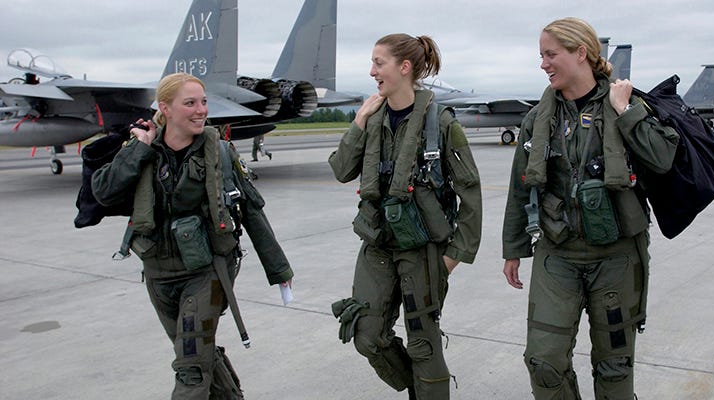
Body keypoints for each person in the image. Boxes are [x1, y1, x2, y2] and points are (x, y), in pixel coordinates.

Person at [501, 17, 679, 399]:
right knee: (544, 362)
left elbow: (663, 158)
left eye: (551, 54)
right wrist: (514, 248)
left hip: (616, 258)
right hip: (557, 254)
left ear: (581, 53)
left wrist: (626, 111)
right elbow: (521, 187)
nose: (544, 64)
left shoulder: (626, 105)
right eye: (541, 55)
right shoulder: (537, 120)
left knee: (615, 370)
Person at [92, 72, 294, 399]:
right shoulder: (142, 150)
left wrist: (279, 270)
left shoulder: (221, 154)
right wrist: (136, 150)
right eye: (190, 103)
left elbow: (252, 210)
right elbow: (103, 191)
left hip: (208, 271)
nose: (201, 110)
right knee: (197, 354)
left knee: (190, 367)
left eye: (203, 102)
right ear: (165, 108)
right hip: (159, 273)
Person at [328, 33, 482, 399]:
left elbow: (470, 192)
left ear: (404, 67)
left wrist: (455, 254)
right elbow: (341, 169)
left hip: (423, 250)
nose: (372, 71)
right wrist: (359, 120)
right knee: (366, 335)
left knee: (423, 343)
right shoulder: (373, 119)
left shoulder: (441, 123)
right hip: (378, 245)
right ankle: (418, 388)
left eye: (379, 63)